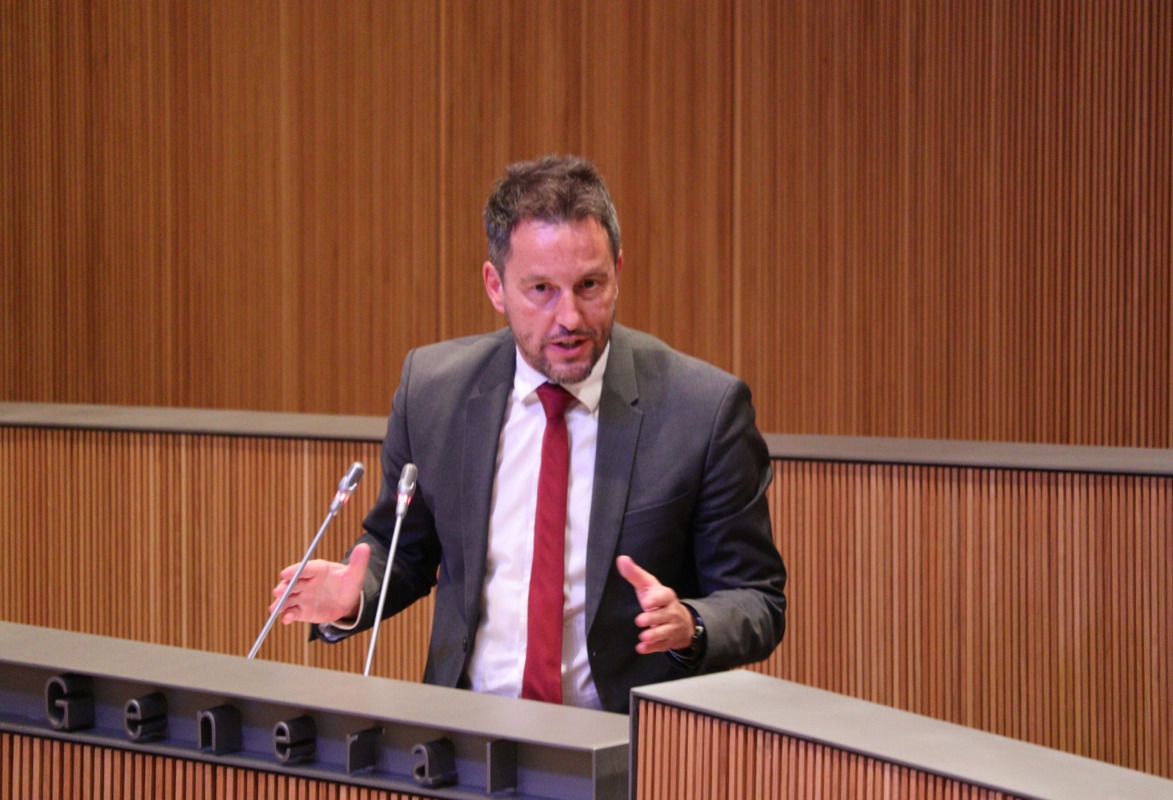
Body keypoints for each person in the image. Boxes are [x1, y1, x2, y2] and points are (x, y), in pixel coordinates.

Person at [270, 155, 786, 713]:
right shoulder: (435, 392)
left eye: (589, 285)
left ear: (617, 271)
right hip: (467, 733)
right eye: (541, 288)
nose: (570, 317)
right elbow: (404, 552)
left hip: (626, 740)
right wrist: (354, 597)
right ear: (496, 286)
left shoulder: (702, 410)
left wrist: (692, 625)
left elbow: (756, 598)